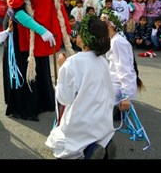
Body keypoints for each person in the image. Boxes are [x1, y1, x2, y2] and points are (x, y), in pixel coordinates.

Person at [2, 0, 94, 121]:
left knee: (41, 66)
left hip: (41, 31)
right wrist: (41, 30)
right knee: (25, 66)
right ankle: (24, 107)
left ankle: (43, 101)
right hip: (22, 31)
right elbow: (18, 12)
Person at [45, 15, 115, 159]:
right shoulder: (103, 61)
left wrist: (62, 68)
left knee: (59, 143)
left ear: (84, 39)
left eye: (78, 33)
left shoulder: (72, 63)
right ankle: (103, 143)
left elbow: (64, 98)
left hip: (83, 122)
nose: (76, 36)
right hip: (104, 121)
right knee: (96, 133)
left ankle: (89, 152)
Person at [101, 9, 144, 119]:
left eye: (103, 22)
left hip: (119, 85)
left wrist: (125, 95)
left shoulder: (118, 42)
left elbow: (124, 69)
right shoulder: (113, 39)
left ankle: (118, 105)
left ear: (110, 24)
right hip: (114, 80)